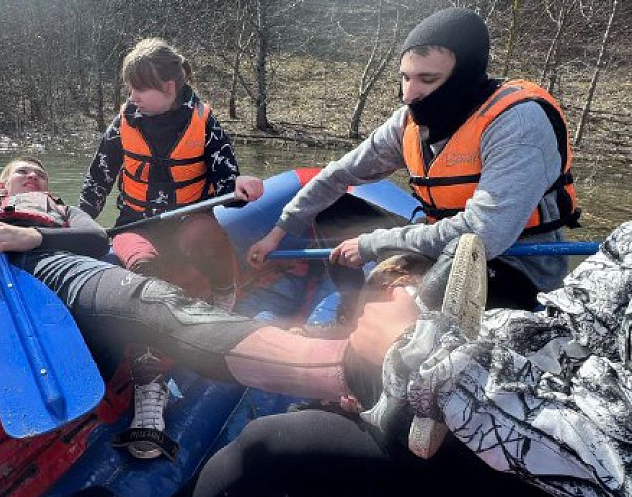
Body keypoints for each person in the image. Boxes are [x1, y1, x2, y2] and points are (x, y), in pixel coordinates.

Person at [0, 157, 359, 496]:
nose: (33, 173)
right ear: (2, 185)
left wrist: (34, 236)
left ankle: (347, 365)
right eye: (22, 171)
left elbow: (93, 240)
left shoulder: (62, 211)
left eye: (39, 172)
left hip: (55, 264)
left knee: (157, 306)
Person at [194, 220, 632, 497]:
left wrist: (422, 352)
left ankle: (375, 375)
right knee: (264, 445)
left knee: (264, 457)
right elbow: (563, 335)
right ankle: (372, 376)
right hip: (501, 394)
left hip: (550, 460)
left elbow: (613, 458)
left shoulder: (517, 125)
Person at [247, 7, 581, 312]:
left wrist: (373, 244)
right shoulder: (408, 121)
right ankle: (349, 323)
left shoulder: (518, 124)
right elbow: (340, 175)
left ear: (463, 77)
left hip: (517, 264)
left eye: (427, 80)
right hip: (441, 247)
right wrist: (278, 232)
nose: (409, 95)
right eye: (406, 77)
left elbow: (483, 234)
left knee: (401, 311)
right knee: (363, 279)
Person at [77, 37, 264, 458]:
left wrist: (241, 187)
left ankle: (223, 291)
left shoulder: (204, 122)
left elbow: (226, 182)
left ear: (169, 87)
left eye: (139, 89)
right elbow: (97, 181)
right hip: (136, 223)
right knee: (141, 265)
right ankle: (151, 385)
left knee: (202, 237)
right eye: (129, 89)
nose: (132, 97)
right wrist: (79, 226)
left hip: (186, 223)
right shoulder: (124, 122)